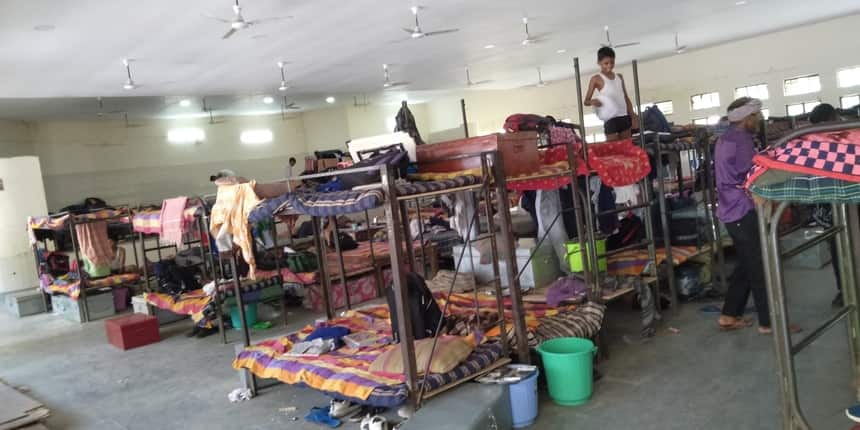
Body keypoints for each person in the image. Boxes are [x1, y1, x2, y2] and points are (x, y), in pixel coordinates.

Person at [714, 97, 774, 333]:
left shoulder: (727, 137)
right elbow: (751, 174)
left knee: (747, 264)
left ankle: (729, 315)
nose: (759, 119)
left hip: (732, 210)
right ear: (744, 119)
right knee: (759, 266)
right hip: (741, 210)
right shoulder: (741, 140)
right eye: (755, 116)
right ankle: (768, 322)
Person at [808, 103, 845, 307]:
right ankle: (845, 288)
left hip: (846, 203)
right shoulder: (816, 142)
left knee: (843, 247)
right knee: (838, 248)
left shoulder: (848, 136)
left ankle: (847, 288)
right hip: (830, 207)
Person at [584, 47, 637, 141]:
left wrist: (632, 116)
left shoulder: (619, 77)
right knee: (614, 149)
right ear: (599, 62)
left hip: (624, 116)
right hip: (610, 119)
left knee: (626, 148)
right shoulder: (596, 79)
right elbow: (586, 101)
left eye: (612, 62)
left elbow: (625, 97)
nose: (610, 65)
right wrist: (593, 101)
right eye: (606, 63)